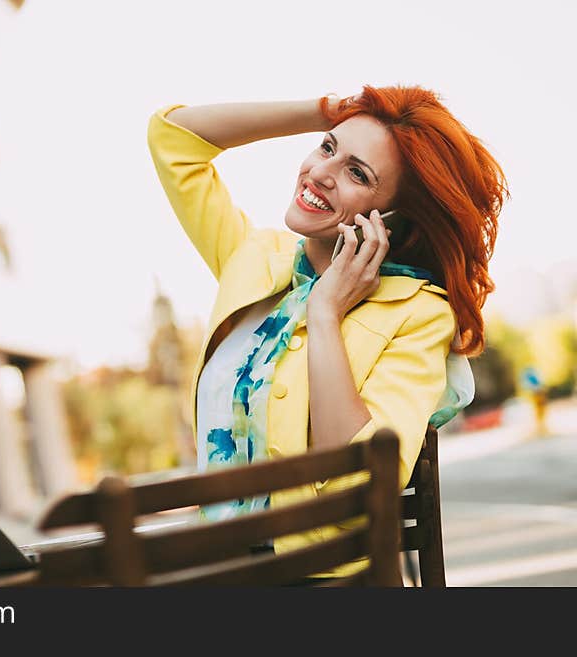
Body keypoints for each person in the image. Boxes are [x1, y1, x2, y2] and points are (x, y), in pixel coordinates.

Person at [147, 85, 508, 573]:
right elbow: (174, 140)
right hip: (221, 575)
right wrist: (322, 112)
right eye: (327, 147)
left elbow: (358, 486)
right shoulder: (255, 259)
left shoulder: (418, 313)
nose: (319, 173)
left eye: (356, 173)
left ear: (395, 221)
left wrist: (325, 313)